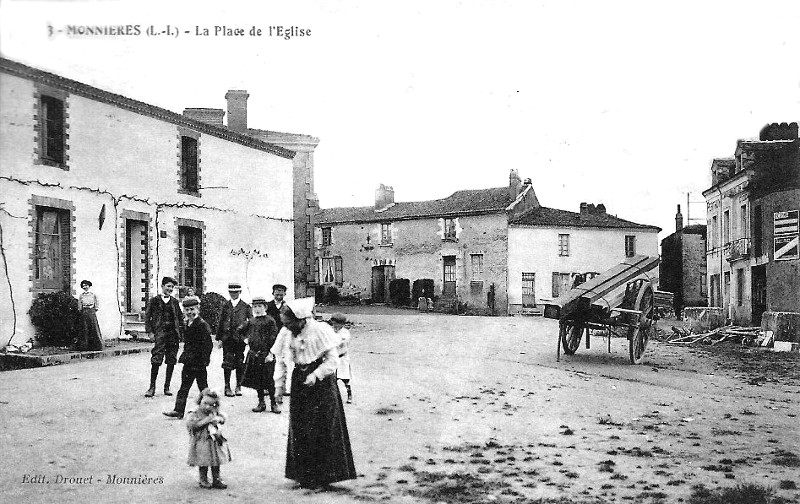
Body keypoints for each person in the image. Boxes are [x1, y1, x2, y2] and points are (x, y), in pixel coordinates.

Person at [270, 297, 356, 489]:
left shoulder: (320, 330)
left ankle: (323, 478)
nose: (287, 327)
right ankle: (304, 475)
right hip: (300, 381)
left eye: (290, 323)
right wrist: (278, 387)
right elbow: (281, 360)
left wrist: (316, 374)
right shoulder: (287, 332)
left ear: (301, 319)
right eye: (285, 323)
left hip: (323, 385)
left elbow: (333, 361)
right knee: (300, 426)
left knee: (321, 427)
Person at [163, 297, 213, 419]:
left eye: (192, 309)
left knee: (203, 388)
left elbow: (208, 345)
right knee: (184, 387)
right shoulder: (187, 323)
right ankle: (178, 410)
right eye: (187, 310)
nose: (190, 312)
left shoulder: (202, 325)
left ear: (198, 309)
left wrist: (205, 360)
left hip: (199, 362)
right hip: (189, 361)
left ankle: (209, 411)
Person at [144, 277, 185, 398]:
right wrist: (150, 332)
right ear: (162, 286)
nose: (170, 289)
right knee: (156, 359)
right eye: (168, 286)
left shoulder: (174, 301)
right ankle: (152, 387)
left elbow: (180, 317)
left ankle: (167, 387)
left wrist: (181, 333)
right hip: (160, 334)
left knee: (171, 360)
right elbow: (147, 317)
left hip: (173, 335)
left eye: (172, 287)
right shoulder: (154, 300)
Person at [239, 296, 280, 413]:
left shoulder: (270, 321)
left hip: (267, 355)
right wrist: (245, 339)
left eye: (259, 306)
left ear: (265, 307)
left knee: (269, 379)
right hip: (254, 355)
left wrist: (271, 353)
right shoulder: (251, 321)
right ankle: (261, 402)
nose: (257, 309)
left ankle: (273, 403)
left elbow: (274, 338)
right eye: (255, 306)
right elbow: (239, 330)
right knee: (258, 380)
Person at [185, 388, 231, 489]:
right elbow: (192, 425)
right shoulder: (195, 412)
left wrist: (218, 419)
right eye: (205, 403)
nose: (207, 406)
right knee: (203, 461)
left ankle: (216, 478)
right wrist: (206, 420)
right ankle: (203, 479)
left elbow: (223, 417)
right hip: (202, 440)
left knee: (216, 460)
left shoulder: (215, 411)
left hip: (214, 440)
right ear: (200, 400)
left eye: (211, 404)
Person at [216, 282, 252, 397]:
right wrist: (220, 338)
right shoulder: (226, 305)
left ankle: (238, 386)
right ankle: (227, 386)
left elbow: (251, 322)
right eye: (231, 292)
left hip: (240, 339)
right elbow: (221, 322)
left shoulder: (245, 306)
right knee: (227, 362)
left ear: (240, 292)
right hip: (227, 339)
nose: (233, 294)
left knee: (240, 362)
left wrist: (247, 337)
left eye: (236, 292)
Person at [266, 283, 292, 397]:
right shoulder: (268, 306)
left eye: (281, 294)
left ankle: (285, 387)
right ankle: (269, 386)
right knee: (270, 362)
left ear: (284, 294)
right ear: (273, 294)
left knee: (286, 362)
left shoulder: (287, 306)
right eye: (277, 294)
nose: (279, 296)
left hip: (284, 338)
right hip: (270, 337)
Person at [329, 312, 353, 404]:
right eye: (334, 324)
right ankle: (333, 397)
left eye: (337, 324)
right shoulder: (330, 331)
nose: (335, 326)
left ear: (342, 324)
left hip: (342, 358)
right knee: (332, 379)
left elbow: (342, 342)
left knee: (345, 378)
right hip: (332, 358)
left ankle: (349, 394)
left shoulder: (345, 333)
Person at [76, 280, 104, 351]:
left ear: (89, 286)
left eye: (86, 285)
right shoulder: (81, 295)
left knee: (93, 328)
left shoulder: (93, 294)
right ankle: (84, 346)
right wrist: (81, 310)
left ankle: (95, 346)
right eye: (83, 286)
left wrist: (94, 309)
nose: (85, 287)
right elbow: (79, 305)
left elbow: (96, 303)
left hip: (91, 311)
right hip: (84, 312)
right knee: (85, 328)